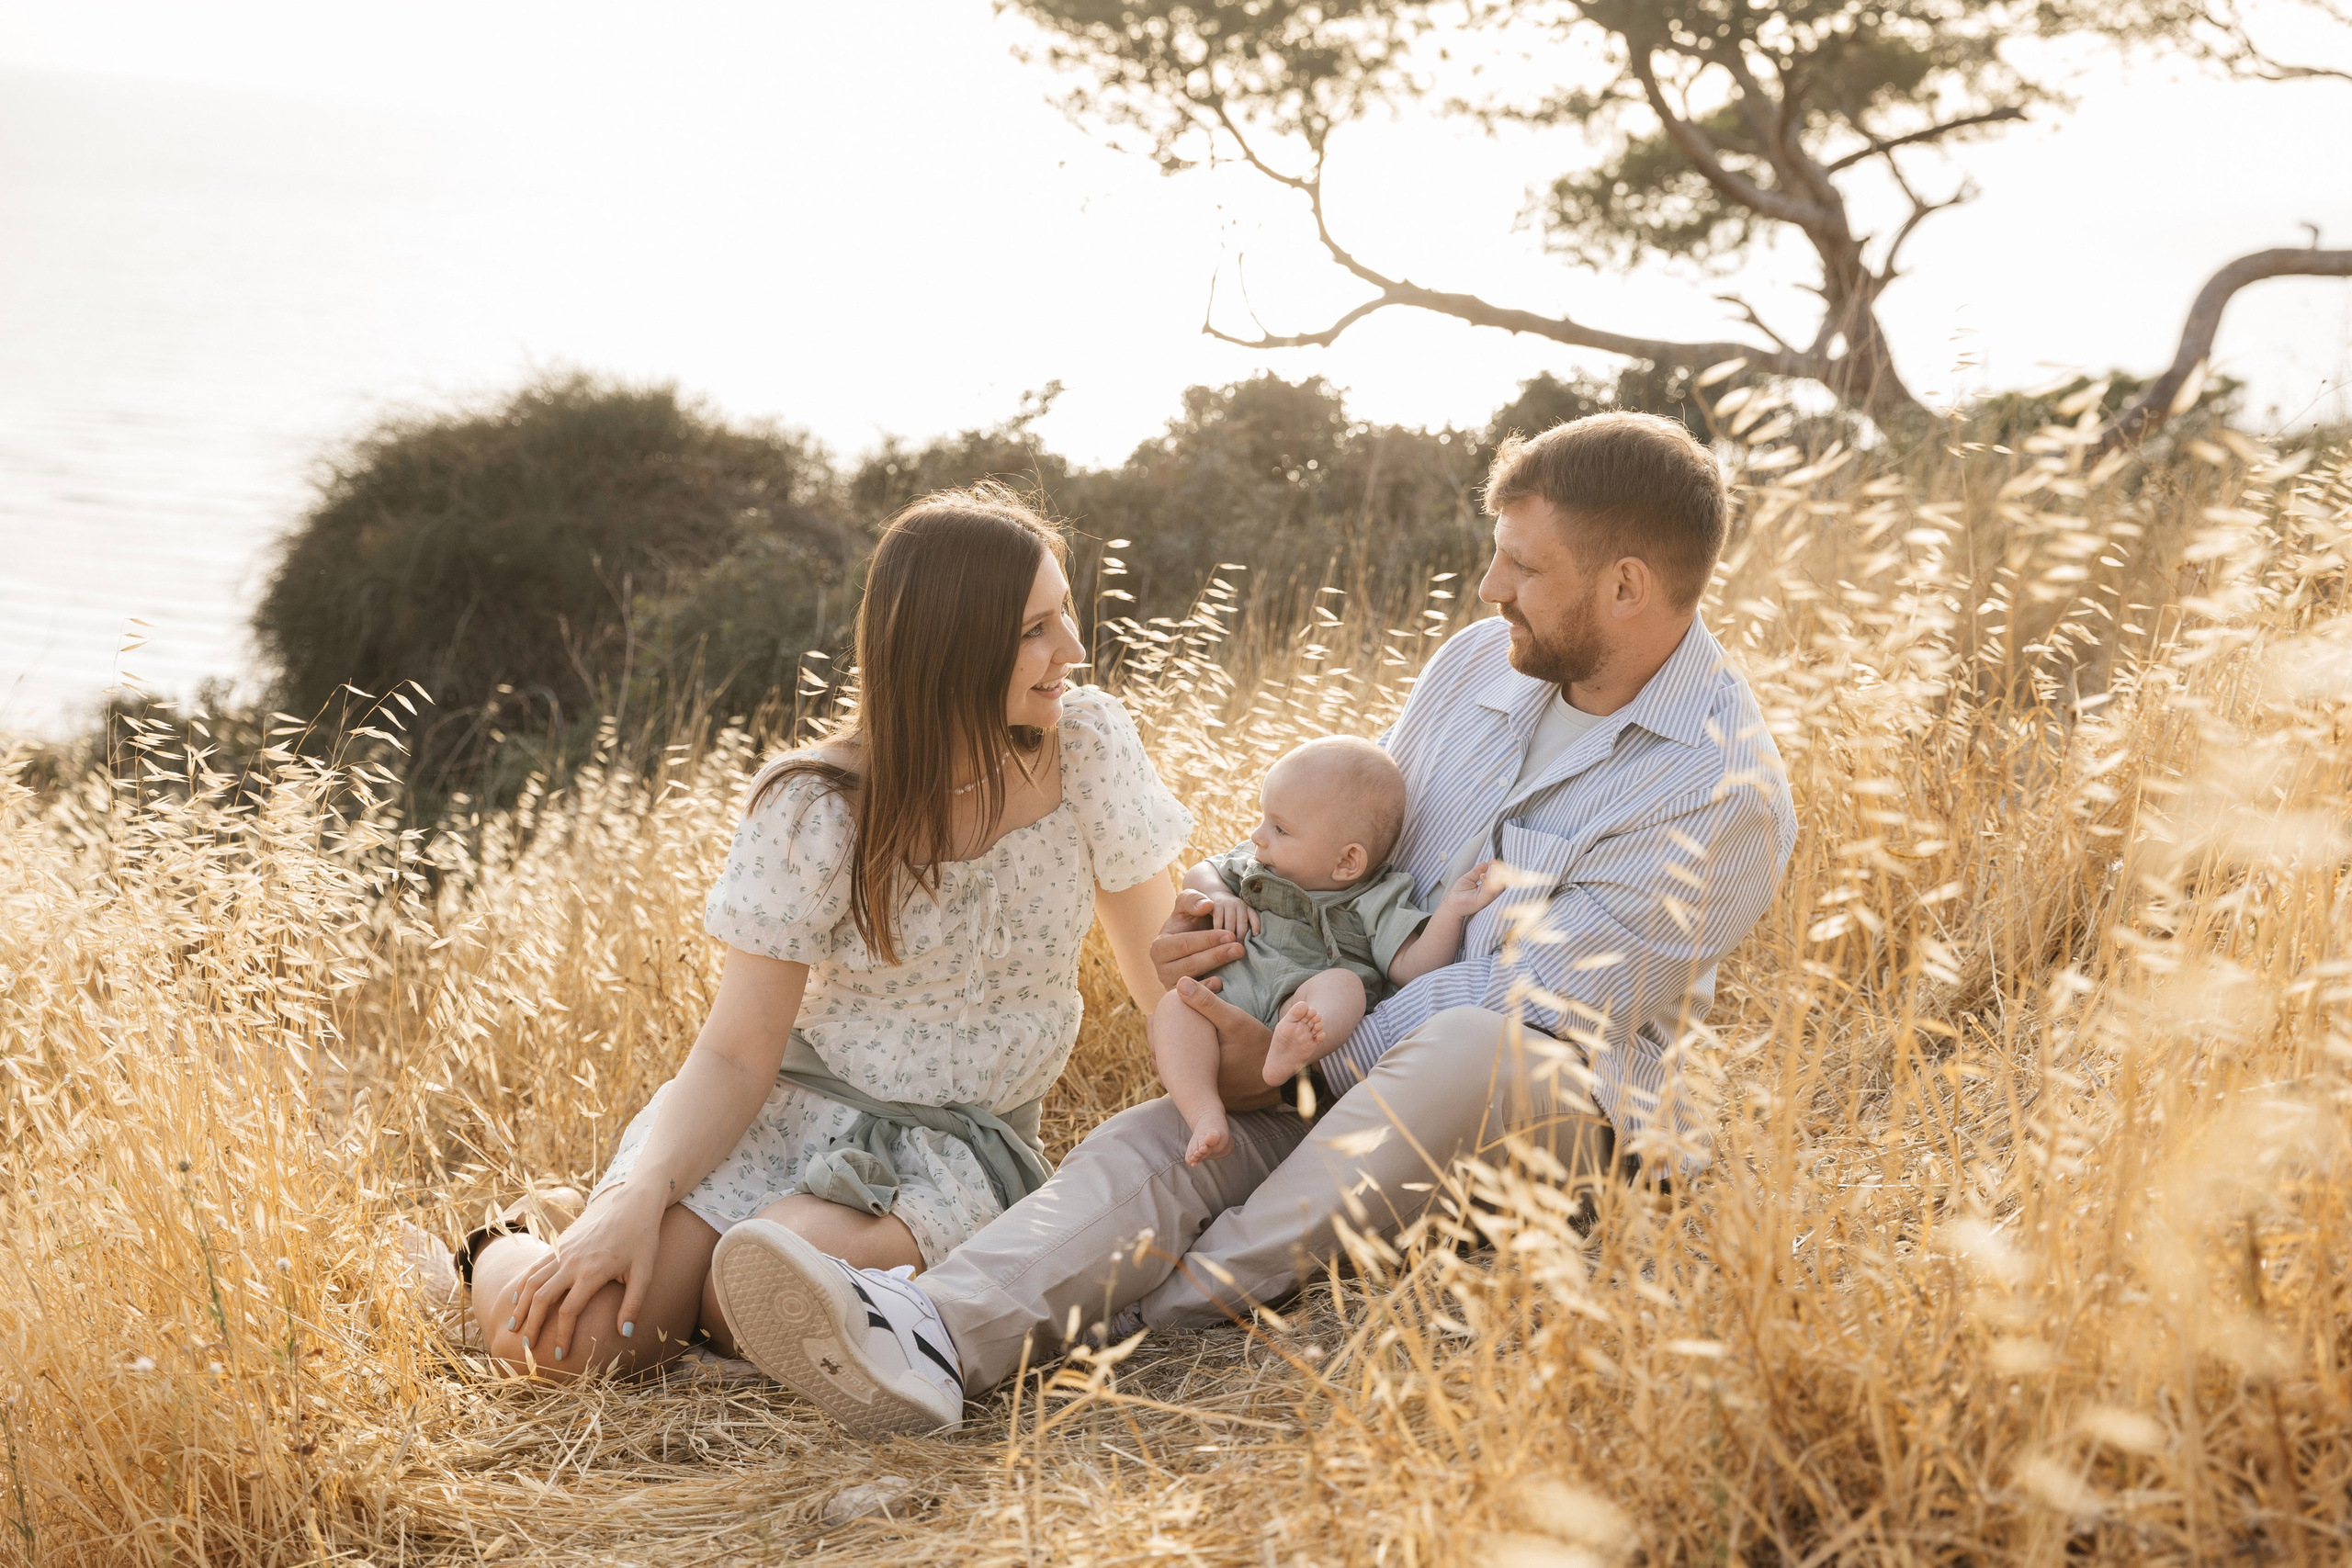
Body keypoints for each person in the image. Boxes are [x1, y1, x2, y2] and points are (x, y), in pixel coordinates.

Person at [707, 412, 1799, 1440]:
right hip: (1343, 1054)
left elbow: (1540, 1004)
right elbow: (1355, 855)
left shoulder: (1719, 786)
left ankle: (1181, 1297)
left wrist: (1289, 1055)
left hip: (1561, 1125)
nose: (1489, 586)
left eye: (1523, 565)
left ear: (1624, 585)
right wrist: (1241, 954)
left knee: (1477, 1046)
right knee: (1160, 1141)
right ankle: (936, 1333)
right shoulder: (1475, 666)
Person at [465, 489, 1192, 1393]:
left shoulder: (1083, 747)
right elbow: (737, 1051)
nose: (1073, 651)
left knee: (780, 1283)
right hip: (785, 1118)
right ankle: (505, 1238)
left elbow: (1163, 976)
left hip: (954, 1150)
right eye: (1036, 629)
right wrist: (633, 1200)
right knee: (570, 1347)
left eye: (1067, 613)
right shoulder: (815, 803)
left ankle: (721, 1302)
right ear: (949, 648)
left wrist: (1233, 1097)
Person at [1153, 735, 1509, 1166]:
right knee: (1176, 1006)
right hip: (1226, 1000)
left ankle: (1293, 1048)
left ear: (1347, 863)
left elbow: (1412, 968)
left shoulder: (1374, 896)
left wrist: (1451, 910)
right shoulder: (1254, 866)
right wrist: (1219, 896)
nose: (1256, 836)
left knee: (1345, 987)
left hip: (1297, 1007)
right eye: (1263, 818)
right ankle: (1205, 1112)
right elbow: (1201, 871)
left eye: (1279, 829)